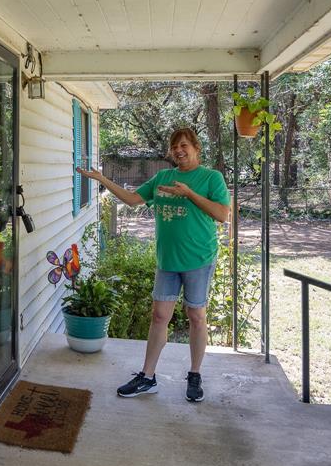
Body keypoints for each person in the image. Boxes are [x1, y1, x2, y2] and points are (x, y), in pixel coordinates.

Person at [77, 128, 230, 402]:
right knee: (159, 316)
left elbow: (222, 215)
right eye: (174, 147)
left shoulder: (211, 178)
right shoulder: (163, 177)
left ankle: (194, 374)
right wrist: (101, 179)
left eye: (183, 145)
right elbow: (133, 200)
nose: (178, 151)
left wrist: (189, 194)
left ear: (196, 148)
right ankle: (148, 377)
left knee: (196, 316)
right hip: (168, 260)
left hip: (198, 258)